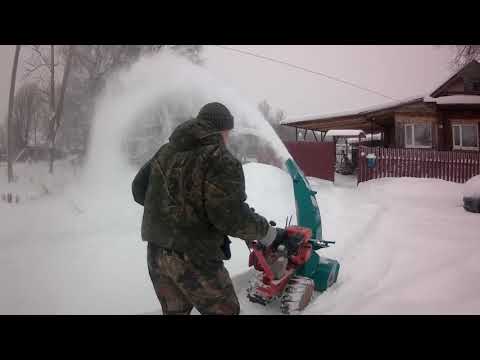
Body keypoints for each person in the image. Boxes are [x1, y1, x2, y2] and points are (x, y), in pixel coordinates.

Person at [132, 102, 301, 315]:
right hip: (195, 257)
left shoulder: (166, 151)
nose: (228, 138)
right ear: (222, 130)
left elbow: (138, 190)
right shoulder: (220, 159)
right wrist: (271, 235)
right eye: (228, 133)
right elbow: (230, 218)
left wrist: (171, 210)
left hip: (156, 253)